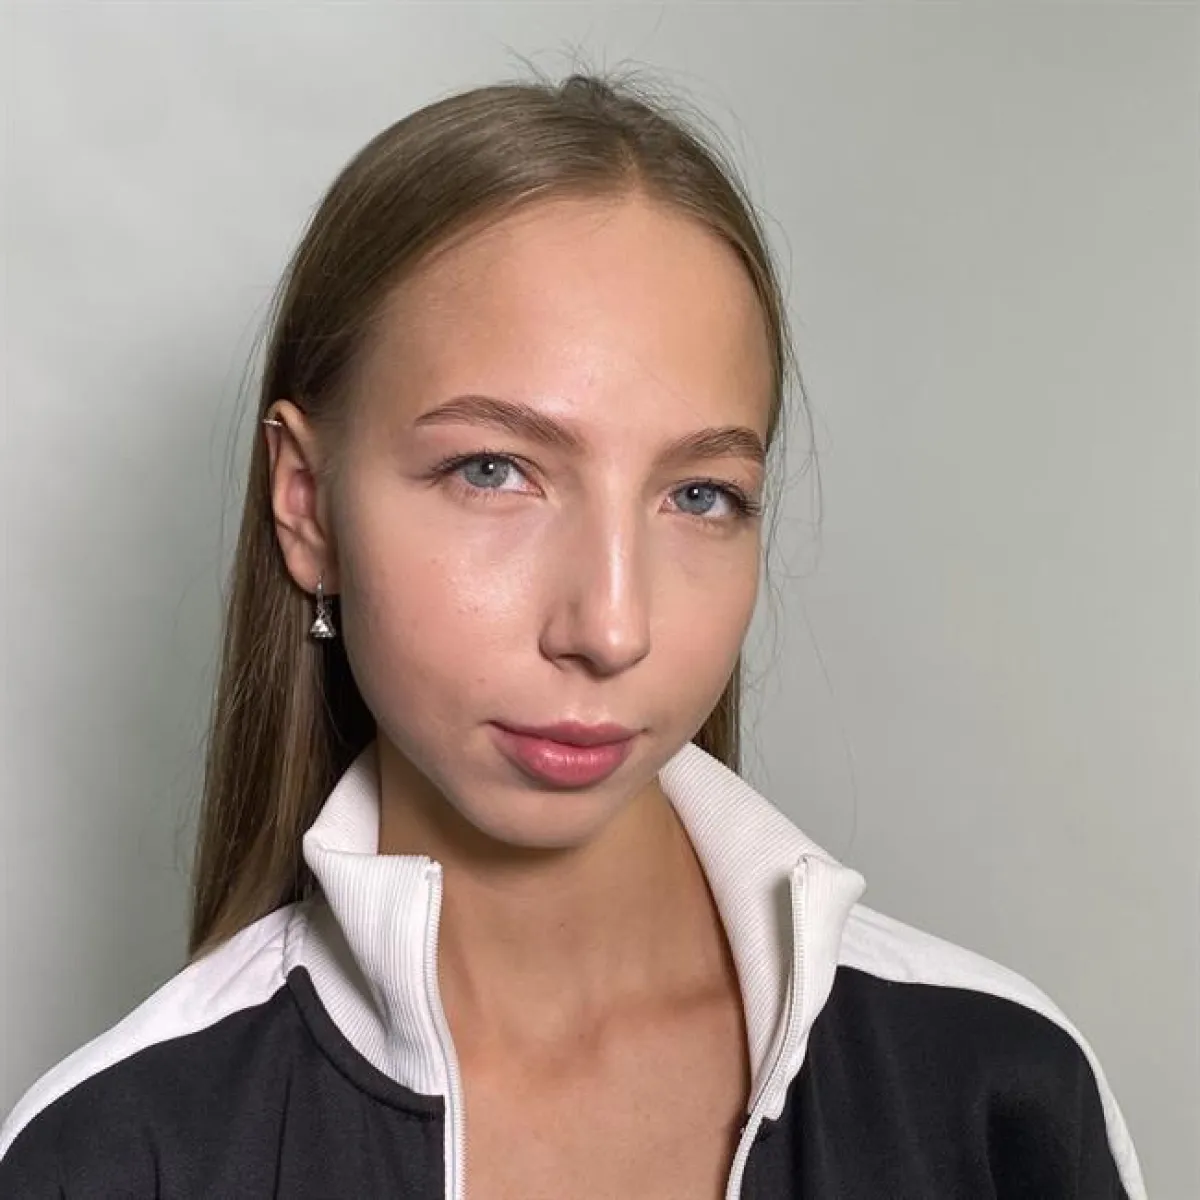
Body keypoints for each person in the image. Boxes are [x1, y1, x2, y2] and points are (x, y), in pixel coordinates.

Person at [0, 71, 1146, 1200]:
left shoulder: (1001, 1094)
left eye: (699, 494)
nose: (610, 626)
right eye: (492, 471)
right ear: (306, 505)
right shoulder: (110, 1155)